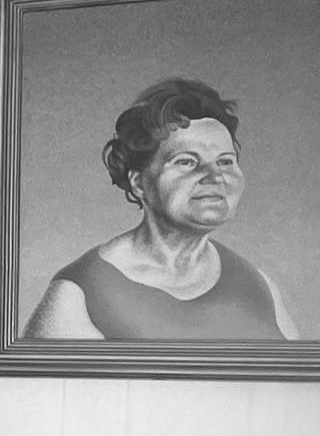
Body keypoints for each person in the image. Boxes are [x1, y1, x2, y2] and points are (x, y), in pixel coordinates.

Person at [24, 78, 297, 340]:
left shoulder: (260, 287)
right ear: (139, 183)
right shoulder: (78, 297)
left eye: (225, 162)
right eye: (187, 162)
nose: (215, 176)